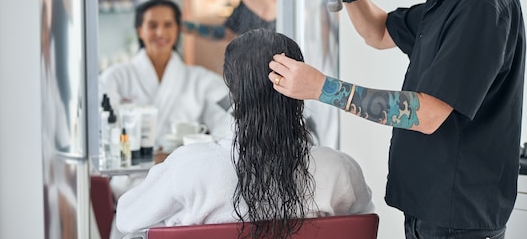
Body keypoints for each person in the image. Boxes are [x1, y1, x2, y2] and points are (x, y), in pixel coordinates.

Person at [268, 0, 526, 239]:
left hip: (458, 216)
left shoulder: (482, 5)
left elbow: (428, 113)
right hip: (433, 206)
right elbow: (379, 31)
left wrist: (323, 89)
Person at [115, 28, 375, 238]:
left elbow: (127, 218)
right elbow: (362, 223)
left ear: (232, 92)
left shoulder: (188, 167)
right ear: (300, 86)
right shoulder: (339, 169)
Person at [99, 0, 233, 150]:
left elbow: (230, 121)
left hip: (183, 170)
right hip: (131, 172)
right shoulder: (115, 77)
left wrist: (198, 152)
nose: (160, 32)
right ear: (140, 30)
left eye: (168, 25)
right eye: (152, 25)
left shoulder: (201, 80)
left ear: (178, 29)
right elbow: (103, 129)